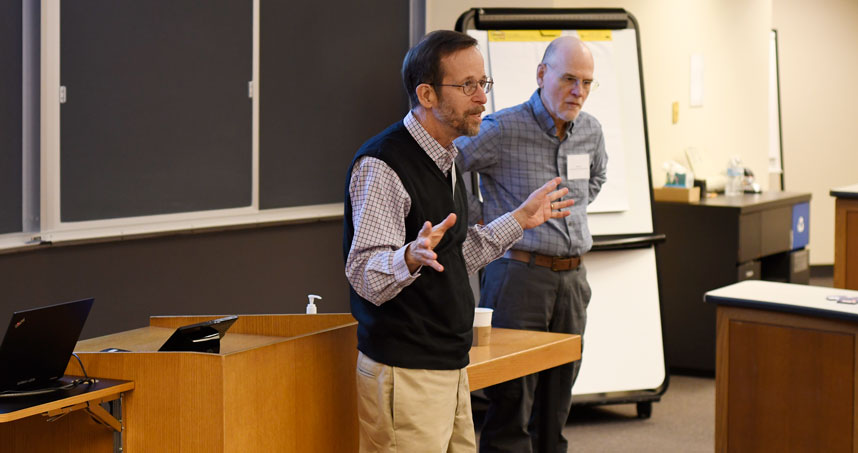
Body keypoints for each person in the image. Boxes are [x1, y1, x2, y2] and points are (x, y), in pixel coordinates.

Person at [343, 30, 576, 453]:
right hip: (406, 371)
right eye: (467, 86)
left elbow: (455, 255)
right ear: (427, 94)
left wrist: (520, 219)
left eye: (483, 84)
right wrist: (409, 257)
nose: (482, 98)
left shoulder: (447, 158)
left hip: (451, 365)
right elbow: (364, 275)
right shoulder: (383, 164)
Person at [454, 36, 608, 453]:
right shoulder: (503, 128)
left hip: (573, 279)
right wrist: (479, 213)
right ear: (542, 75)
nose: (579, 92)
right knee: (512, 402)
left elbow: (595, 180)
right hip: (518, 277)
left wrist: (570, 215)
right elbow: (447, 161)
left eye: (587, 83)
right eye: (570, 79)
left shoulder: (590, 131)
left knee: (558, 401)